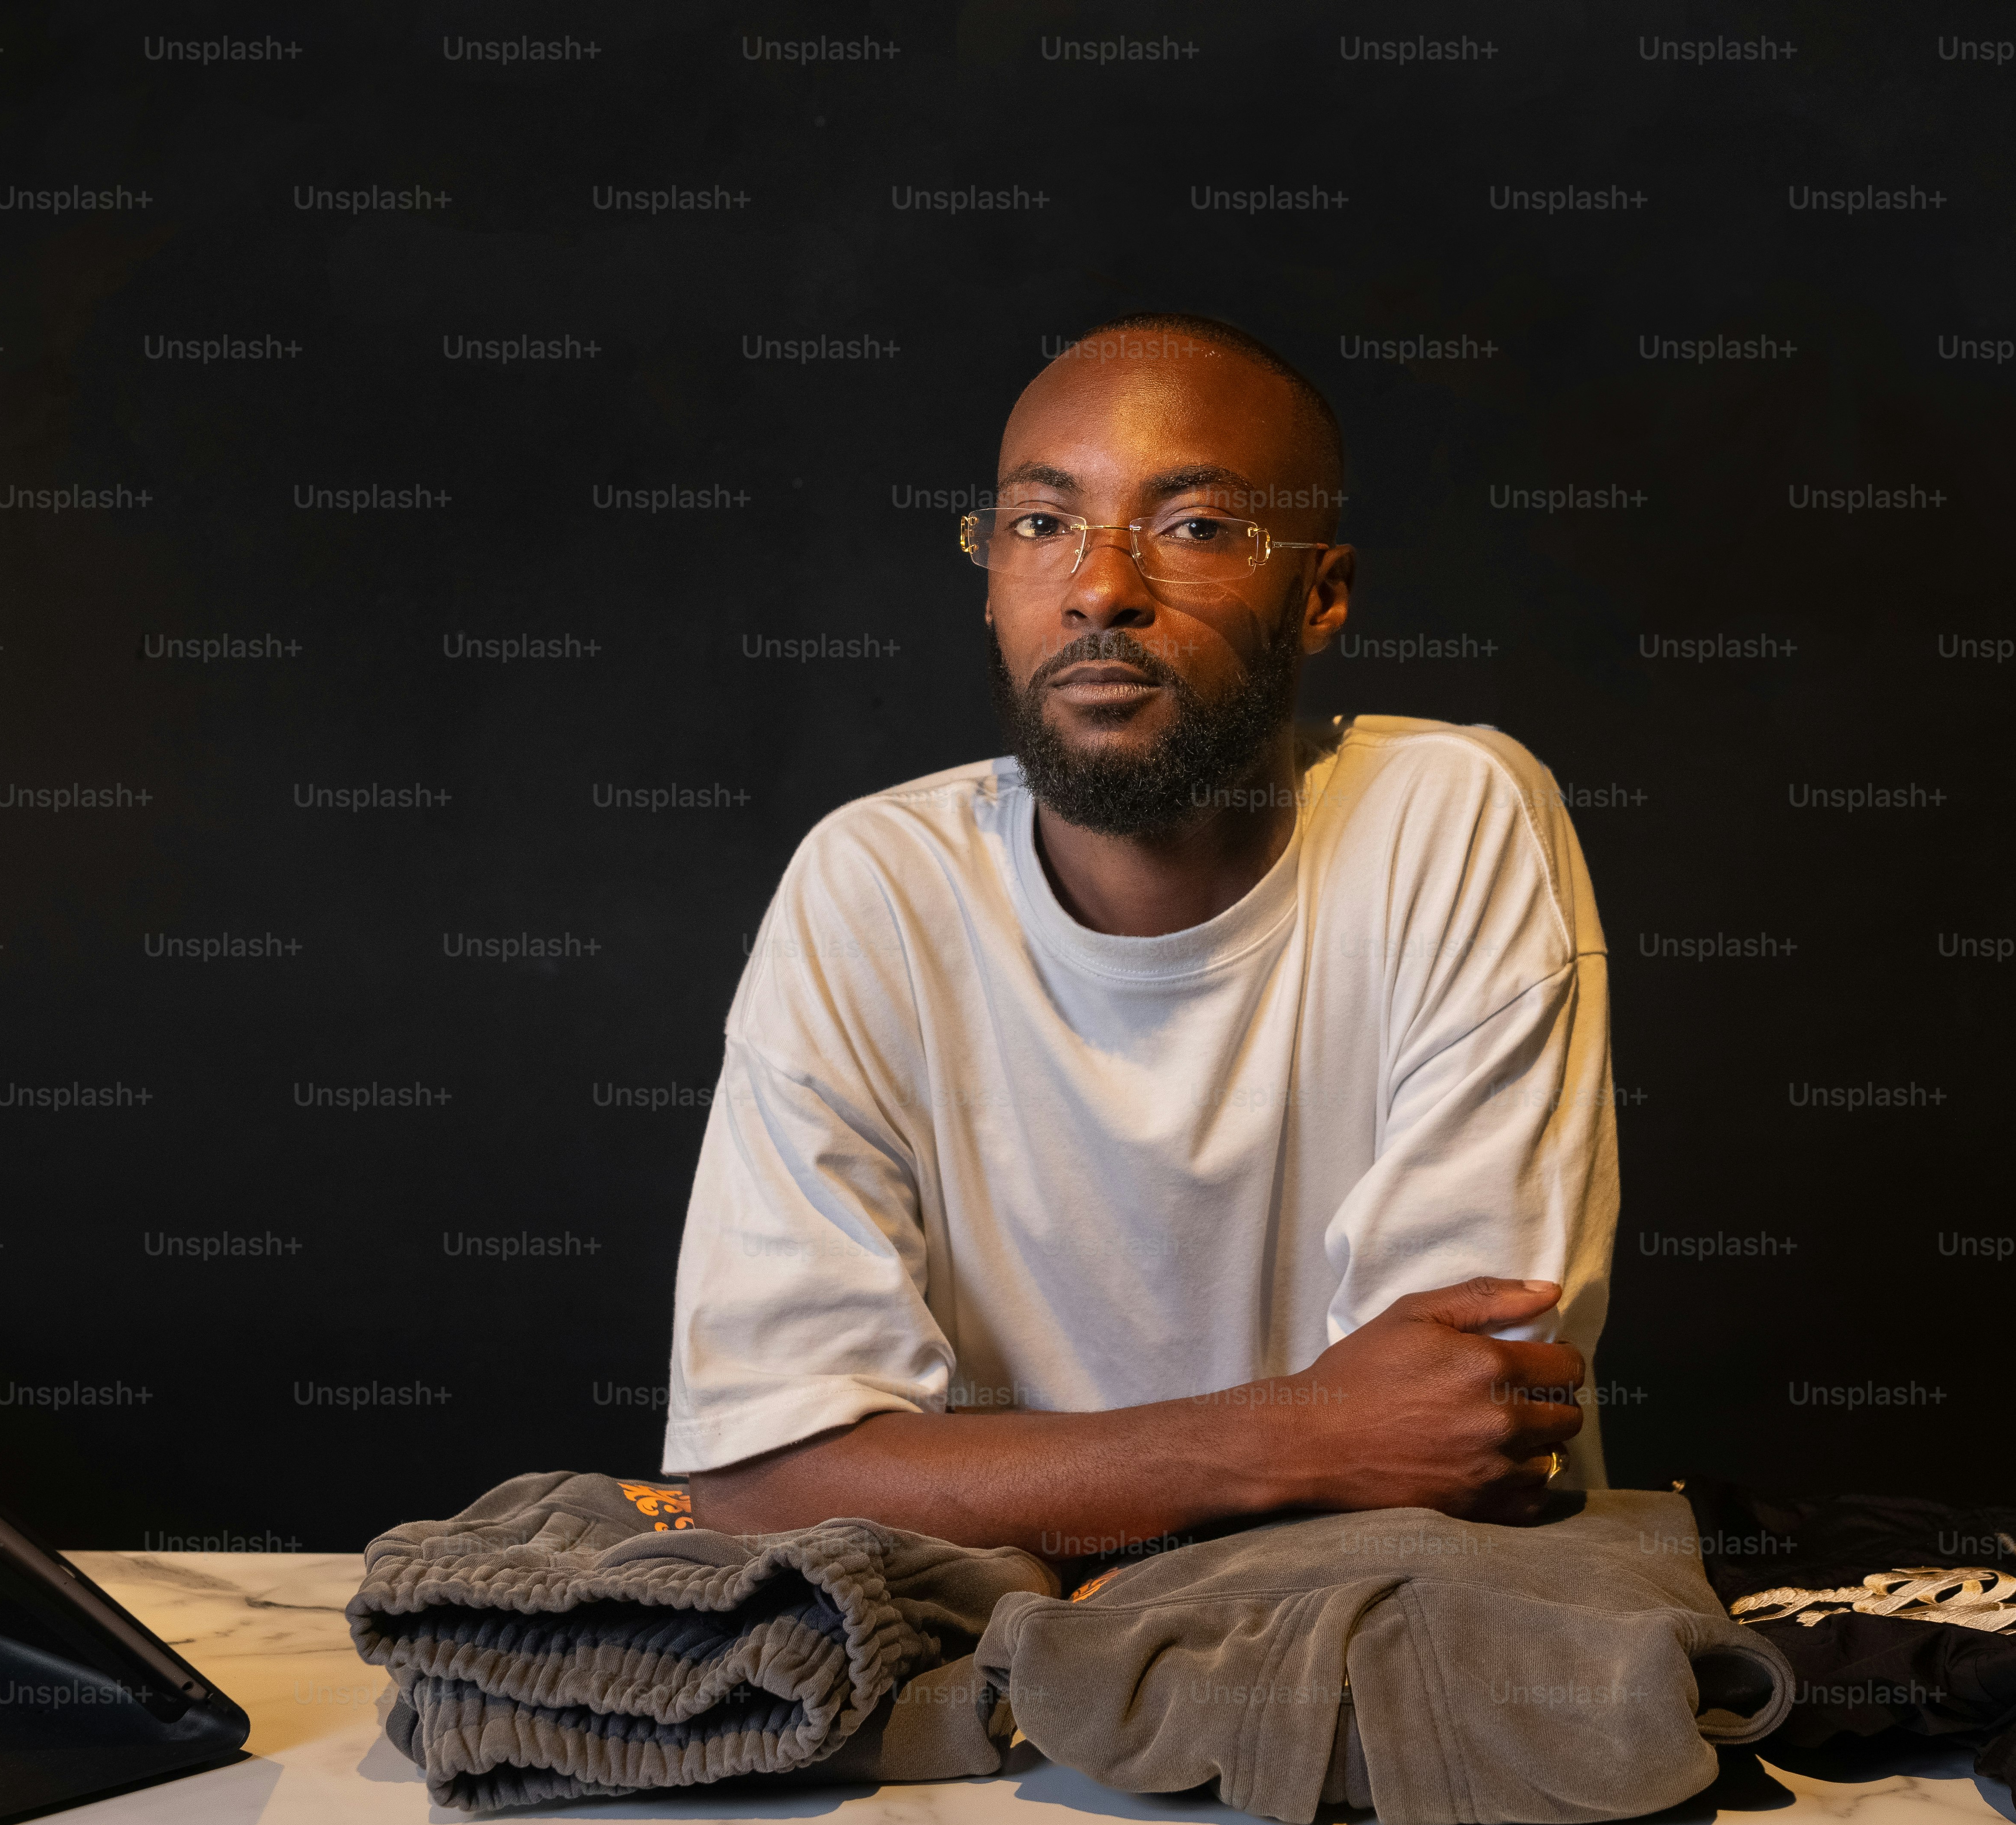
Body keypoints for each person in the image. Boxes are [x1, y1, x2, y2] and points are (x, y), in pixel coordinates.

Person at [666, 312, 1618, 1570]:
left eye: (1195, 527)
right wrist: (1301, 1431)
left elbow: (1459, 1437)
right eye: (1040, 523)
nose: (1100, 586)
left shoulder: (1450, 820)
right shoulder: (875, 884)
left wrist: (963, 1480)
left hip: (1392, 1645)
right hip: (1005, 1705)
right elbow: (760, 1478)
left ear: (1320, 594)